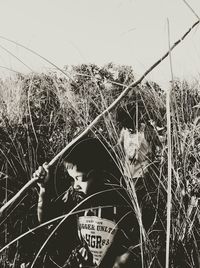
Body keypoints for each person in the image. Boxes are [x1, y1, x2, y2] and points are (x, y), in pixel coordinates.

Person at [33, 137, 141, 268]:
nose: (75, 185)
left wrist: (122, 259)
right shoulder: (75, 197)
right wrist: (44, 188)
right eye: (72, 179)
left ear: (97, 173)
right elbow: (45, 220)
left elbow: (133, 241)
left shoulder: (119, 200)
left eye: (79, 178)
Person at [116, 103, 167, 267]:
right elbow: (118, 147)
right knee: (126, 213)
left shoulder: (147, 131)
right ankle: (126, 247)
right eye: (126, 127)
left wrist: (156, 160)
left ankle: (139, 248)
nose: (129, 130)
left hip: (143, 179)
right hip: (126, 177)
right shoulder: (124, 130)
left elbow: (161, 147)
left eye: (131, 126)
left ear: (136, 120)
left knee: (141, 214)